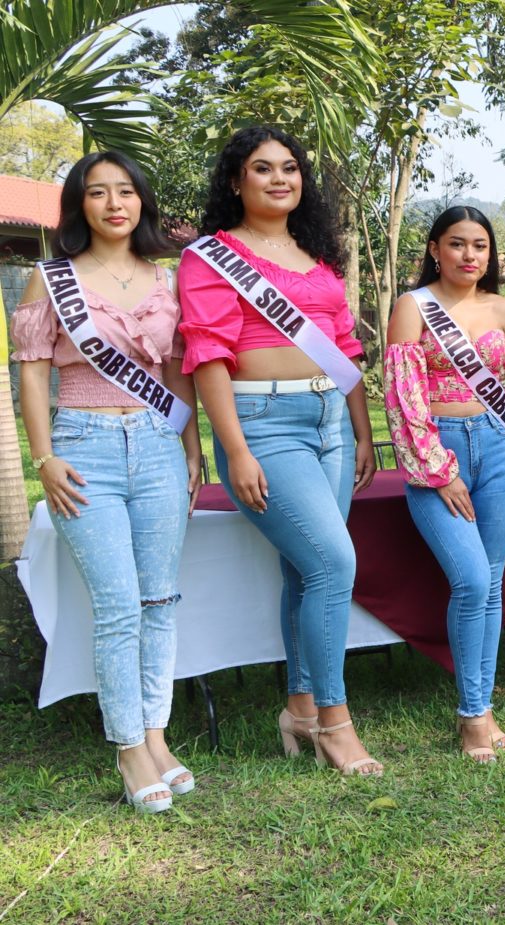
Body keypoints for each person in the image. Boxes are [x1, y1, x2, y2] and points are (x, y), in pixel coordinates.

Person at [179, 126, 380, 775]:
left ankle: (298, 707)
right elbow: (208, 356)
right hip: (262, 423)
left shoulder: (317, 254)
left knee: (305, 570)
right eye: (262, 168)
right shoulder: (211, 257)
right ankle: (335, 723)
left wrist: (362, 430)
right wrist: (235, 450)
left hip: (330, 422)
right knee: (333, 562)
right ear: (235, 180)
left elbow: (344, 347)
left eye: (289, 167)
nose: (279, 178)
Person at [14, 152, 201, 812]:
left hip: (157, 445)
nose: (114, 203)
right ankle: (127, 748)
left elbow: (176, 372)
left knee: (159, 600)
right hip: (82, 447)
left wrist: (191, 449)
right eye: (98, 193)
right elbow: (32, 370)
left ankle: (156, 736)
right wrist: (43, 458)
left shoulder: (166, 279)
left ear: (141, 201)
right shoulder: (50, 279)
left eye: (126, 191)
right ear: (79, 205)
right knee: (119, 605)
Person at [384, 206, 505, 761]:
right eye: (457, 243)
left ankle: (481, 708)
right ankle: (473, 715)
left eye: (480, 245)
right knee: (471, 580)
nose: (470, 255)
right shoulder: (412, 306)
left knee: (491, 585)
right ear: (435, 249)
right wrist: (438, 470)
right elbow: (402, 396)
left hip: (496, 448)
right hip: (437, 448)